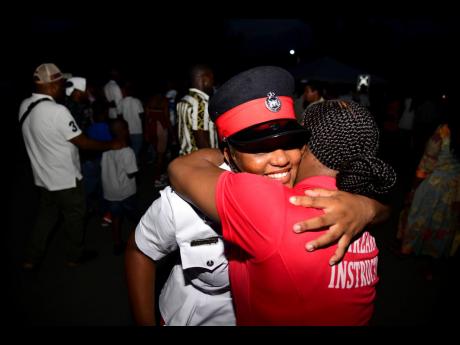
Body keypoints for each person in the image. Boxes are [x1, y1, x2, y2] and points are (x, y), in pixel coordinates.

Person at [126, 66, 391, 326]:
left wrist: (364, 207)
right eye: (259, 148)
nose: (280, 159)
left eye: (290, 142)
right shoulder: (185, 201)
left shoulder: (326, 198)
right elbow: (140, 251)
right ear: (229, 155)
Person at [19, 63, 122, 271]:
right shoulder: (58, 111)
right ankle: (75, 256)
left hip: (43, 179)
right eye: (59, 83)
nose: (62, 87)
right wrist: (111, 144)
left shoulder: (24, 105)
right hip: (66, 178)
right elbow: (82, 142)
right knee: (75, 217)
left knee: (45, 219)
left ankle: (31, 257)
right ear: (51, 86)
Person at [398, 102, 460, 262]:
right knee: (443, 224)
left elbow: (426, 163)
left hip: (435, 184)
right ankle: (431, 260)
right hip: (455, 188)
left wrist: (413, 188)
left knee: (418, 217)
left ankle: (407, 251)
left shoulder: (443, 131)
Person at [101, 118, 139, 255]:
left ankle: (117, 243)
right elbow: (131, 173)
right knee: (135, 216)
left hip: (110, 192)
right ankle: (143, 241)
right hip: (125, 192)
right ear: (124, 131)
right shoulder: (127, 151)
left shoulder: (106, 148)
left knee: (116, 217)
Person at [176, 64, 218, 155]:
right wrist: (214, 161)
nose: (213, 83)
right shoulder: (201, 103)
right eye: (212, 79)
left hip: (186, 157)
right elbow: (202, 141)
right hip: (200, 161)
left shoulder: (184, 100)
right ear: (205, 79)